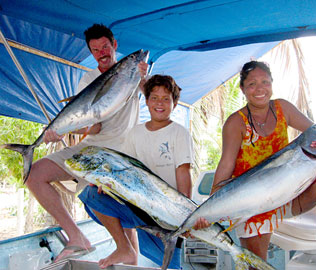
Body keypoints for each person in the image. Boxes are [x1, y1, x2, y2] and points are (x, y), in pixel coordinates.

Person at [194, 61, 316, 270]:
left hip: (288, 196)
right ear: (243, 89)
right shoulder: (236, 123)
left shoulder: (284, 108)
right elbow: (225, 166)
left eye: (265, 82)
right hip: (253, 203)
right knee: (257, 267)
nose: (260, 89)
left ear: (272, 84)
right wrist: (208, 210)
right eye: (252, 84)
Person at [25, 24, 148, 262]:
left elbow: (153, 96)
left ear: (114, 45)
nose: (102, 53)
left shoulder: (135, 73)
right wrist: (59, 131)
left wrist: (143, 78)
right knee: (35, 174)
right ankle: (76, 237)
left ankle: (131, 259)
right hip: (90, 149)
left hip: (121, 153)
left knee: (123, 219)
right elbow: (93, 125)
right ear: (92, 53)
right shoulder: (89, 79)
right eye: (95, 50)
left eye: (105, 46)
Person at [78, 74, 193, 269]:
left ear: (174, 103)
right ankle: (124, 247)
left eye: (166, 98)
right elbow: (123, 171)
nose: (160, 103)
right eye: (154, 97)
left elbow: (184, 172)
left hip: (167, 215)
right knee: (91, 193)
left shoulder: (179, 132)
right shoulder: (135, 133)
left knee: (173, 266)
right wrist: (106, 184)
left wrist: (185, 217)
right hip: (139, 208)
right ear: (146, 101)